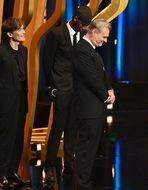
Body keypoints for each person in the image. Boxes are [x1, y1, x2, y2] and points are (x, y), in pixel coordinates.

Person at [42, 6, 92, 189]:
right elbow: (47, 61)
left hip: (76, 89)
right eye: (83, 24)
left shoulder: (82, 36)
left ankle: (69, 166)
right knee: (58, 127)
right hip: (60, 87)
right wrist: (50, 86)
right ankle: (48, 166)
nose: (84, 28)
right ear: (75, 19)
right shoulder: (57, 34)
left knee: (72, 128)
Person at [0, 17, 30, 189]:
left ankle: (12, 172)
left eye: (23, 28)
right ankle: (0, 175)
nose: (23, 32)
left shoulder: (24, 51)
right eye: (19, 29)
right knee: (5, 139)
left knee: (18, 139)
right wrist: (0, 95)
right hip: (6, 102)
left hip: (20, 101)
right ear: (10, 34)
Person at [71, 19, 115, 190]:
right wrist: (106, 96)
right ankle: (82, 185)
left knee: (90, 150)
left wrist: (110, 88)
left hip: (94, 108)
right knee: (85, 150)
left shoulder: (92, 51)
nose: (104, 41)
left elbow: (101, 74)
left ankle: (85, 183)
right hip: (88, 109)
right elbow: (91, 78)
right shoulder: (81, 50)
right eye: (103, 37)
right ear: (94, 32)